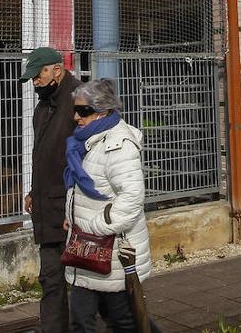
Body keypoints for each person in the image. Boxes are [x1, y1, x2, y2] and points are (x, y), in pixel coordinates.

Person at [64, 79, 153, 333]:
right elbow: (81, 187)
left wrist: (94, 226)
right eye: (75, 110)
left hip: (111, 252)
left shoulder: (118, 145)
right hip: (84, 250)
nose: (76, 117)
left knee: (124, 322)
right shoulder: (86, 141)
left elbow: (132, 198)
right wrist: (69, 215)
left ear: (102, 111)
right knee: (81, 320)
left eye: (83, 111)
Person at [23, 46, 78, 333]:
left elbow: (91, 157)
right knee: (51, 278)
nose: (35, 81)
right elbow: (42, 153)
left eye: (38, 75)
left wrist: (80, 203)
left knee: (88, 281)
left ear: (56, 70)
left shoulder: (80, 99)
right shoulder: (43, 104)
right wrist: (34, 190)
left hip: (73, 209)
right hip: (47, 207)